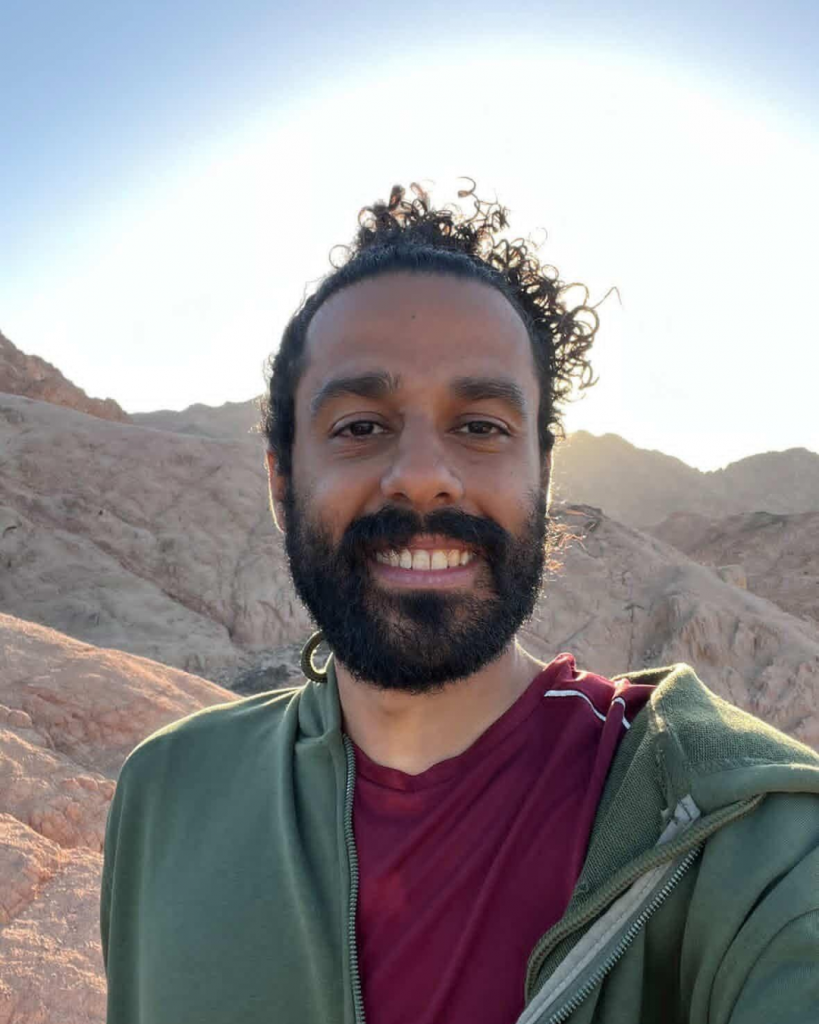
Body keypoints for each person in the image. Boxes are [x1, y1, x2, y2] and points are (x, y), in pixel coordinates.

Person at [101, 183, 819, 1024]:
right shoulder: (168, 794)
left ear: (542, 476)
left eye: (480, 427)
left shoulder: (748, 840)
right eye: (359, 426)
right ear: (281, 480)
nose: (421, 475)